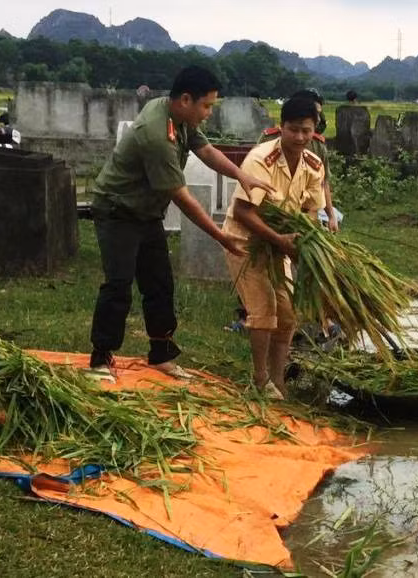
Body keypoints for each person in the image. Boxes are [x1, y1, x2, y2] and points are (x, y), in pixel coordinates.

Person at [88, 65, 274, 379]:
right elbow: (182, 197)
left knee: (160, 283)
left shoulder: (177, 116)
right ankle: (100, 358)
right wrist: (219, 235)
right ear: (186, 100)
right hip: (117, 210)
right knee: (118, 284)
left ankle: (161, 353)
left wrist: (242, 174)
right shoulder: (156, 134)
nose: (209, 113)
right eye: (207, 106)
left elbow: (206, 150)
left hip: (145, 212)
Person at [221, 97, 325, 399]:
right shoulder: (260, 159)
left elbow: (309, 213)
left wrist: (308, 241)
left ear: (315, 129)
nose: (300, 137)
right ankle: (260, 379)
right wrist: (280, 240)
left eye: (306, 131)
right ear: (281, 127)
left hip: (281, 247)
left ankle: (278, 382)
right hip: (246, 243)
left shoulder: (313, 166)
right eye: (293, 130)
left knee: (288, 313)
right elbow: (242, 212)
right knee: (264, 309)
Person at [258, 89, 339, 232]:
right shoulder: (269, 140)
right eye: (315, 112)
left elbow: (323, 182)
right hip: (272, 212)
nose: (319, 118)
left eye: (319, 114)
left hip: (305, 213)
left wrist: (331, 216)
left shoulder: (318, 145)